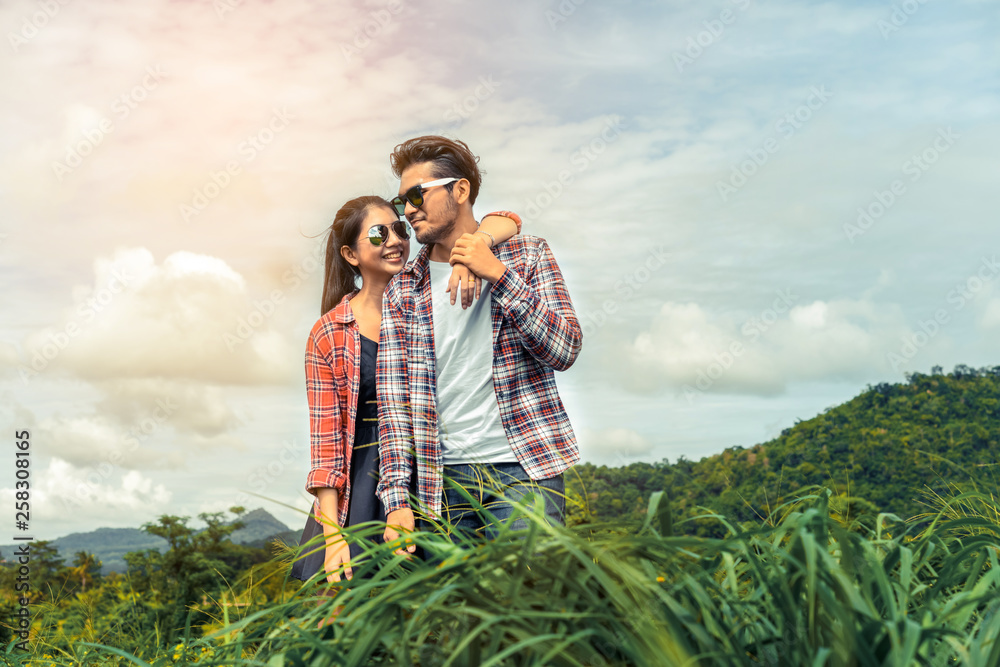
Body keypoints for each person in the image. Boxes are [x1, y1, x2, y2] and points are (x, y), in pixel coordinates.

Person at [291, 195, 522, 583]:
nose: (395, 240)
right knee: (352, 625)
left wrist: (472, 252)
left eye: (399, 229)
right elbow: (326, 447)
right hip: (362, 490)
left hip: (435, 475)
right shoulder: (330, 332)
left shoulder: (429, 298)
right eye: (379, 233)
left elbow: (508, 218)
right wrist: (333, 538)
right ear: (350, 254)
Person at [377, 136, 582, 553]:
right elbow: (393, 401)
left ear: (461, 190)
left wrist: (498, 275)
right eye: (402, 202)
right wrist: (397, 498)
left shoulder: (528, 256)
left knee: (530, 605)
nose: (409, 210)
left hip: (524, 469)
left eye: (417, 194)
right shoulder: (403, 290)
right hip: (441, 483)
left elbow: (564, 349)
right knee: (458, 617)